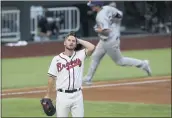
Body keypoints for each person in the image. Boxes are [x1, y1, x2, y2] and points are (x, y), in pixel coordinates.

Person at [83, 1, 152, 85]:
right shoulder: (108, 8)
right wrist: (113, 20)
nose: (91, 7)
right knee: (95, 57)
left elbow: (106, 32)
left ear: (97, 6)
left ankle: (143, 64)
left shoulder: (100, 16)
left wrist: (97, 30)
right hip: (105, 39)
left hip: (110, 41)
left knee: (120, 61)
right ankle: (88, 78)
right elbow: (120, 15)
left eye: (93, 5)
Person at [43, 32, 95, 117]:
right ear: (64, 42)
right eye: (69, 40)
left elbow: (92, 48)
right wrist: (48, 95)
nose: (71, 42)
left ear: (76, 44)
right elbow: (51, 78)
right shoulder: (56, 59)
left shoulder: (80, 55)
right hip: (62, 96)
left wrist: (79, 40)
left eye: (73, 41)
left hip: (78, 96)